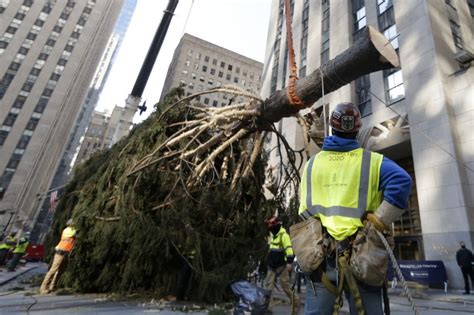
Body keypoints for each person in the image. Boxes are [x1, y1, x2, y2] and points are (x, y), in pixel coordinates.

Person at [299, 102, 412, 315]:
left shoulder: (312, 165)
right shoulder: (373, 161)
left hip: (321, 257)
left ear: (332, 128)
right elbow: (402, 181)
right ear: (357, 128)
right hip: (363, 255)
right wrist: (379, 220)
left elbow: (304, 211)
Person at [263, 216, 299, 313]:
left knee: (285, 286)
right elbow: (271, 250)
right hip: (272, 265)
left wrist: (289, 262)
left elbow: (289, 249)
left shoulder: (284, 235)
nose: (270, 228)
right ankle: (268, 308)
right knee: (268, 288)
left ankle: (296, 304)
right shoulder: (273, 235)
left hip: (282, 266)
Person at [40, 219, 76, 294]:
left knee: (61, 270)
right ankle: (43, 287)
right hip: (60, 252)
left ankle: (53, 286)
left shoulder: (72, 230)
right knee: (53, 270)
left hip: (66, 253)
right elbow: (74, 233)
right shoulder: (68, 230)